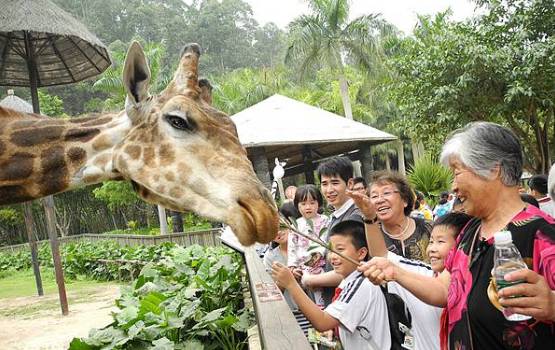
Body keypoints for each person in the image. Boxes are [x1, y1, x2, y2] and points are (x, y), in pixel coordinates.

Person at [360, 122, 555, 349]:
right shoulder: (470, 232)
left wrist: (551, 305)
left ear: (493, 168)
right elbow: (446, 290)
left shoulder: (542, 234)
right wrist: (396, 273)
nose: (453, 186)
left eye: (457, 172)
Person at [271, 220, 391, 350]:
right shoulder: (351, 280)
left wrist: (291, 284)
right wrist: (335, 328)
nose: (333, 257)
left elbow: (322, 322)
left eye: (340, 250)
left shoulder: (360, 284)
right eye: (330, 250)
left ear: (361, 253)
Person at [301, 156, 363, 306]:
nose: (329, 190)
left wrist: (310, 280)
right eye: (324, 184)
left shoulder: (353, 218)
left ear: (349, 184)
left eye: (335, 183)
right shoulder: (335, 216)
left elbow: (349, 270)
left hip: (351, 302)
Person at [366, 171, 432, 261]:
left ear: (404, 200)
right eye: (374, 196)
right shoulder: (371, 237)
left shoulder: (430, 228)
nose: (379, 200)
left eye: (386, 193)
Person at [288, 184, 329, 307]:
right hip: (302, 269)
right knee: (310, 300)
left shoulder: (325, 220)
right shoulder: (296, 224)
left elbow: (325, 240)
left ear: (319, 203)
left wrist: (317, 256)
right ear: (297, 206)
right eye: (303, 204)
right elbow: (292, 247)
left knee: (324, 298)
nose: (308, 207)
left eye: (312, 203)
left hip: (321, 265)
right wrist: (292, 266)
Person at [263, 222, 298, 311]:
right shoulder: (270, 257)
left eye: (281, 227)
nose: (278, 232)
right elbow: (271, 293)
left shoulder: (305, 247)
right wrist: (286, 278)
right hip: (292, 310)